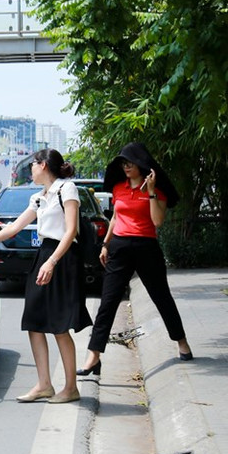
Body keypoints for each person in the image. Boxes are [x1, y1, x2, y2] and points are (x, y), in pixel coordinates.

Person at [0, 148, 92, 404]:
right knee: (34, 320)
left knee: (60, 326)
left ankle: (71, 388)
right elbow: (13, 229)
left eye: (33, 164)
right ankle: (44, 384)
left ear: (43, 166)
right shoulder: (39, 197)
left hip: (62, 258)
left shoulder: (67, 189)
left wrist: (52, 262)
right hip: (44, 255)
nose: (30, 169)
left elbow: (71, 229)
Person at [78, 143, 192, 375]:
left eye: (130, 163)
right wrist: (106, 244)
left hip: (146, 247)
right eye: (123, 163)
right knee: (107, 302)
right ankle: (94, 355)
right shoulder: (119, 189)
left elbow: (157, 221)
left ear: (142, 165)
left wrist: (149, 191)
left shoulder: (156, 190)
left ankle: (182, 342)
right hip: (120, 247)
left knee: (162, 298)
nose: (126, 167)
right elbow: (116, 218)